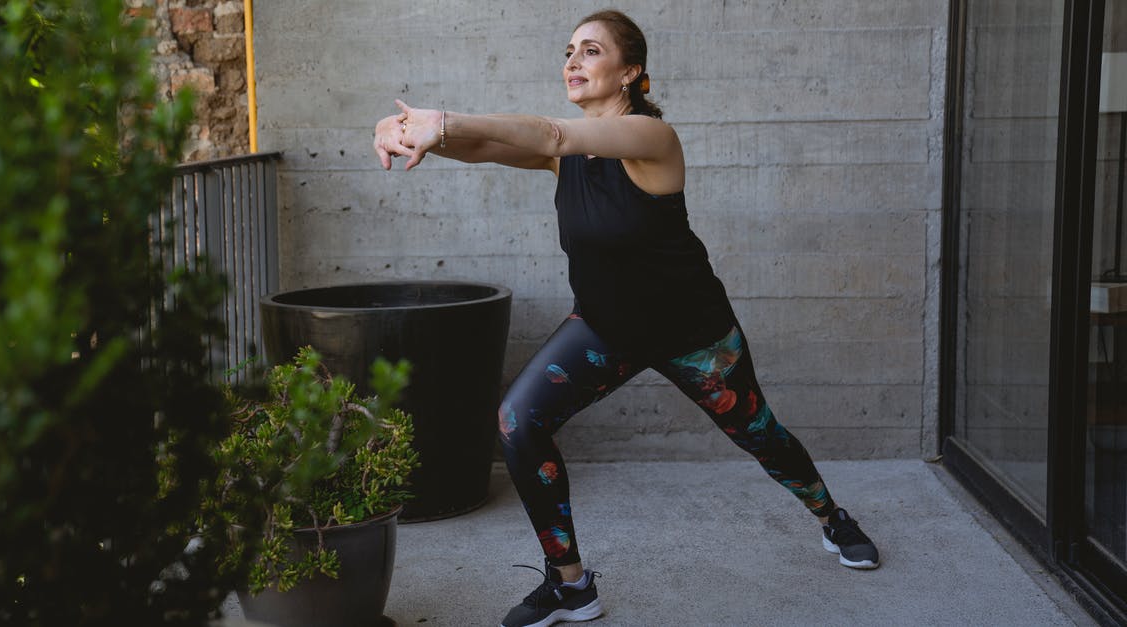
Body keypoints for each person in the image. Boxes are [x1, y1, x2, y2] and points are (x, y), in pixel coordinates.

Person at [373, 10, 880, 627]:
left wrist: (443, 119)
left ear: (631, 71)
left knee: (760, 434)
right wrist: (407, 128)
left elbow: (550, 134)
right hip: (605, 330)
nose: (573, 62)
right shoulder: (563, 156)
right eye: (568, 51)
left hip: (691, 334)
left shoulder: (651, 139)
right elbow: (485, 146)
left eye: (591, 51)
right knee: (516, 423)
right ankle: (572, 586)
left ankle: (832, 517)